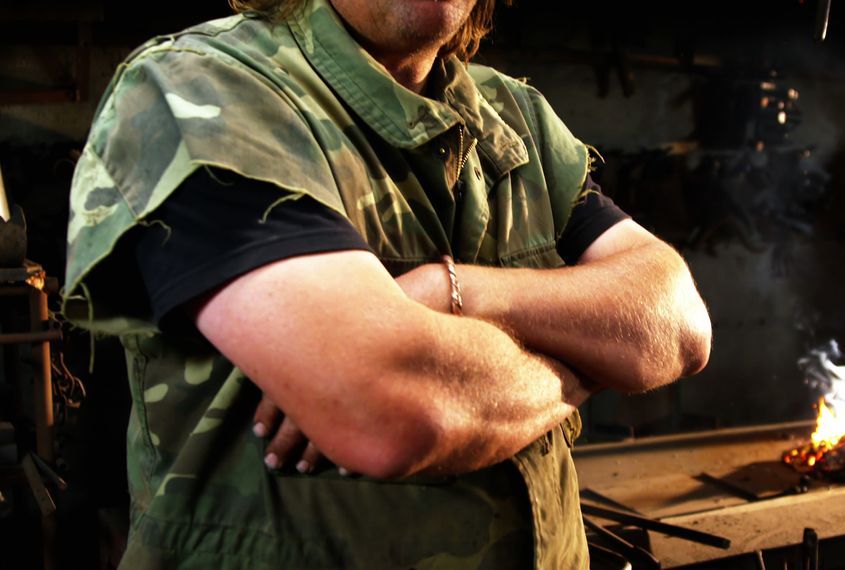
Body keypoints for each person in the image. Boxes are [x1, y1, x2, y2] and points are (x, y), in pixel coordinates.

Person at [62, 0, 712, 567]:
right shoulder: (206, 90)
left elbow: (677, 325)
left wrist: (454, 289)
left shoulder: (516, 120)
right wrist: (591, 361)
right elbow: (395, 415)